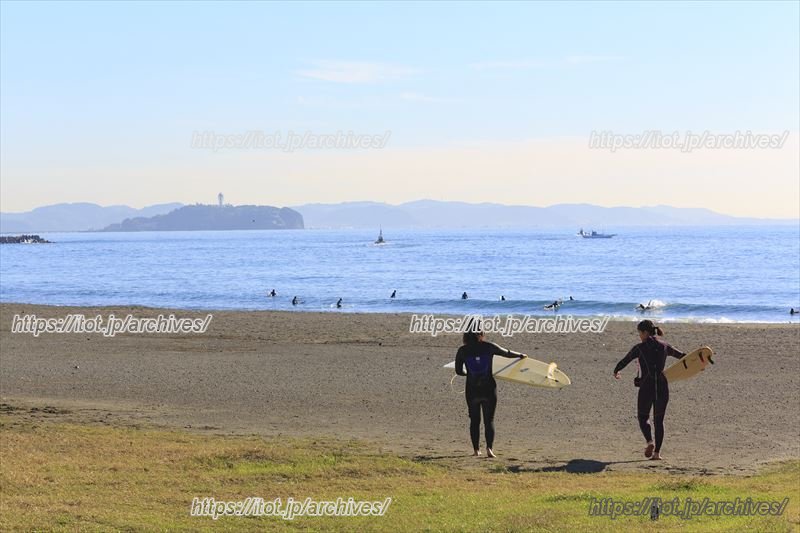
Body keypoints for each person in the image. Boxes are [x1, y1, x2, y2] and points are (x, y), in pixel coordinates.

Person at [613, 320, 685, 461]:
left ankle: (649, 442)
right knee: (659, 421)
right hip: (662, 387)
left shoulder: (639, 348)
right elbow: (682, 356)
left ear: (645, 332)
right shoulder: (665, 346)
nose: (639, 336)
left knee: (643, 417)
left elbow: (626, 360)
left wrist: (616, 370)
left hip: (647, 386)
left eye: (639, 333)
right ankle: (657, 453)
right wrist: (700, 362)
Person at [454, 320, 527, 458]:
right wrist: (520, 355)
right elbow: (507, 353)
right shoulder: (489, 347)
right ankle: (489, 449)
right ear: (481, 332)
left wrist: (468, 373)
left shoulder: (462, 351)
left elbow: (458, 371)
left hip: (472, 390)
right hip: (488, 389)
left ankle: (476, 450)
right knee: (489, 420)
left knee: (474, 420)